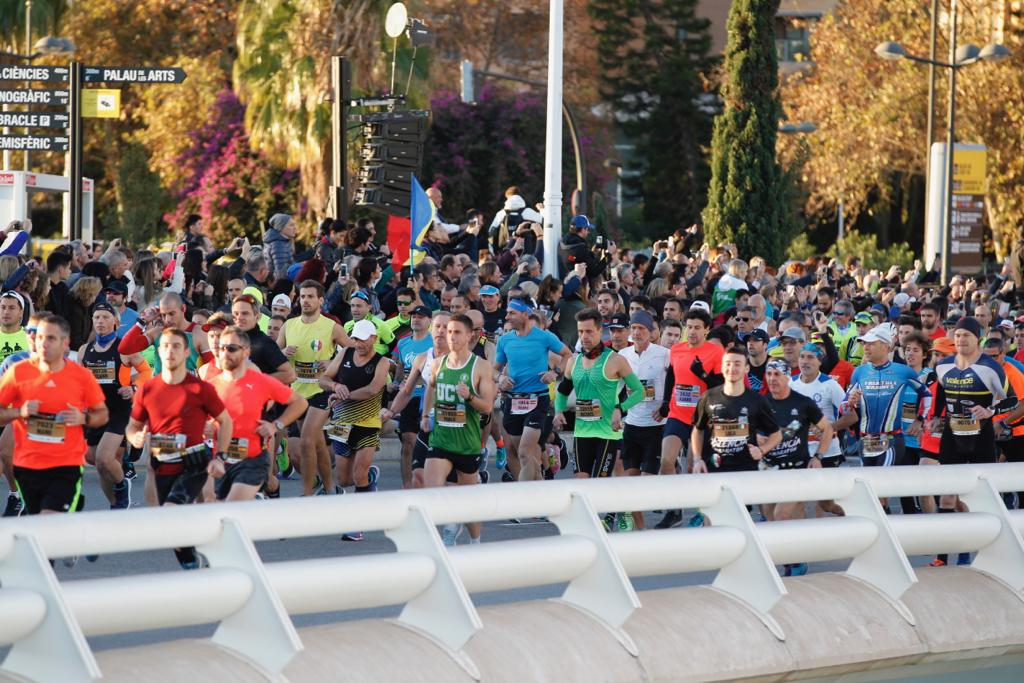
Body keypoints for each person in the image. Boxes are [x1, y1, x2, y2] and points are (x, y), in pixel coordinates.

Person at [126, 328, 233, 570]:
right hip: (162, 463)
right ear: (158, 351)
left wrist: (221, 457)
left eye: (176, 346)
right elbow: (132, 427)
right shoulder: (148, 389)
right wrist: (135, 438)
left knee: (172, 511)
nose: (170, 351)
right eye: (165, 346)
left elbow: (225, 421)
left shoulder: (200, 388)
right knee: (173, 527)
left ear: (187, 352)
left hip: (193, 462)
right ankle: (193, 561)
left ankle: (202, 559)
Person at [0, 315, 108, 518]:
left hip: (66, 466)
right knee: (40, 528)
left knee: (49, 519)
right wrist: (18, 412)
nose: (43, 343)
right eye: (39, 337)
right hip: (27, 466)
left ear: (65, 343)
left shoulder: (81, 376)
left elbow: (102, 414)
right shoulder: (18, 372)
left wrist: (83, 419)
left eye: (51, 338)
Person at [420, 313, 496, 546]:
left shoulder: (480, 367)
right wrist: (425, 415)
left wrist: (469, 396)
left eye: (456, 332)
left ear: (470, 335)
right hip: (440, 440)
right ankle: (446, 531)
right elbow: (431, 388)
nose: (450, 336)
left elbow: (487, 407)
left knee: (468, 502)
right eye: (448, 332)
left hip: (467, 444)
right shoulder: (437, 363)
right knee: (431, 491)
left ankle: (475, 540)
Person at [208, 327, 307, 501]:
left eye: (231, 348)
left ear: (246, 352)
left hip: (251, 460)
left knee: (232, 504)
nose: (225, 353)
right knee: (213, 508)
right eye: (222, 348)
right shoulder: (210, 386)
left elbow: (300, 403)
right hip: (220, 460)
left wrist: (276, 425)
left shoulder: (260, 381)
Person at [553, 308, 644, 481]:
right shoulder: (574, 361)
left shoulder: (615, 360)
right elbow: (563, 391)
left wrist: (620, 408)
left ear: (599, 331)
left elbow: (639, 391)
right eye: (580, 331)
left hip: (607, 434)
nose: (584, 336)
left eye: (589, 331)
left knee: (598, 483)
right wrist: (558, 411)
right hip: (581, 432)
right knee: (581, 482)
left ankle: (613, 505)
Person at [320, 319, 390, 540]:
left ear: (374, 339)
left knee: (358, 476)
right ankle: (370, 477)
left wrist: (345, 394)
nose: (358, 343)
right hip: (341, 422)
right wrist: (335, 386)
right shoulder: (345, 354)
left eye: (363, 339)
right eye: (356, 338)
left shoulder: (382, 362)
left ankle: (357, 526)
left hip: (368, 422)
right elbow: (323, 379)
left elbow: (372, 390)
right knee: (344, 480)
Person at [279, 280, 349, 496]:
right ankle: (329, 488)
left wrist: (332, 362)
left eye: (311, 296)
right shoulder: (289, 325)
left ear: (320, 300)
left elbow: (354, 351)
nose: (306, 301)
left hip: (321, 391)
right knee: (314, 445)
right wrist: (283, 354)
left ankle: (307, 494)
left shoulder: (331, 327)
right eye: (302, 296)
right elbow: (274, 355)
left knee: (307, 440)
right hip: (297, 393)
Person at [656, 308, 723, 529]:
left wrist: (702, 374)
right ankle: (674, 509)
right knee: (667, 460)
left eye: (697, 328)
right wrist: (666, 402)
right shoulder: (677, 349)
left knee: (694, 467)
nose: (692, 332)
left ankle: (700, 510)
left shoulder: (714, 352)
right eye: (689, 327)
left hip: (702, 418)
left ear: (706, 330)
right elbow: (672, 376)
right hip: (678, 413)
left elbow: (722, 386)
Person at [80, 302, 151, 510]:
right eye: (96, 317)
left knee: (105, 458)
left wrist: (134, 388)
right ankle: (116, 505)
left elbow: (146, 373)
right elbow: (80, 380)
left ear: (116, 322)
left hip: (119, 410)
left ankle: (122, 485)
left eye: (105, 317)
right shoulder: (86, 349)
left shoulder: (124, 349)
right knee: (96, 461)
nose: (100, 321)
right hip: (95, 410)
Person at [494, 297, 571, 482]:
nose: (507, 317)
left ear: (525, 314)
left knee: (524, 452)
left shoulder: (544, 337)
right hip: (512, 401)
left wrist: (555, 372)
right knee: (529, 457)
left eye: (512, 313)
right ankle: (541, 490)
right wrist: (501, 378)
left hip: (538, 400)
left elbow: (567, 354)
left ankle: (524, 502)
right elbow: (494, 368)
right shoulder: (504, 340)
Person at [835, 325, 922, 469]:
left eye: (871, 344)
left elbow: (927, 394)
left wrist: (920, 420)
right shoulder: (859, 372)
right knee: (870, 484)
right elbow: (843, 407)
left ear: (885, 346)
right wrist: (850, 404)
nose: (866, 348)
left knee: (881, 485)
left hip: (891, 439)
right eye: (864, 344)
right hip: (865, 441)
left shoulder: (902, 371)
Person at [383, 310, 451, 489]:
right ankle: (410, 491)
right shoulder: (422, 357)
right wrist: (391, 411)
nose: (441, 331)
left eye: (446, 327)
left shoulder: (466, 359)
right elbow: (406, 391)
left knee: (456, 483)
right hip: (426, 417)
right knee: (418, 472)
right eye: (438, 326)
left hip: (456, 426)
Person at [690, 345, 780, 477]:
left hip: (746, 472)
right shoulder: (708, 397)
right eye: (728, 364)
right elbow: (697, 430)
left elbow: (776, 435)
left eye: (737, 364)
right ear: (722, 367)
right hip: (714, 469)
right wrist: (697, 459)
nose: (732, 368)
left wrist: (761, 450)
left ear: (746, 368)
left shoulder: (757, 400)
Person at [619, 310, 670, 530]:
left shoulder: (664, 354)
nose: (637, 333)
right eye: (634, 328)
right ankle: (641, 532)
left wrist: (667, 405)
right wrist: (616, 411)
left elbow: (675, 381)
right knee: (631, 482)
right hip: (632, 424)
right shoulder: (623, 354)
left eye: (641, 329)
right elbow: (616, 387)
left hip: (655, 425)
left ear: (650, 332)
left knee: (645, 484)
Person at [389, 304, 433, 488]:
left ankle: (428, 482)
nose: (415, 318)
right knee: (408, 442)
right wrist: (396, 381)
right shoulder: (403, 342)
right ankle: (408, 487)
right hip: (408, 396)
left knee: (427, 444)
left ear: (429, 321)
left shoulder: (434, 342)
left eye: (420, 316)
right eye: (414, 316)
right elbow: (400, 366)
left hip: (428, 399)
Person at [0, 291, 28, 364]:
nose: (6, 312)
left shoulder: (30, 337)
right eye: (3, 307)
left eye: (11, 308)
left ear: (21, 312)